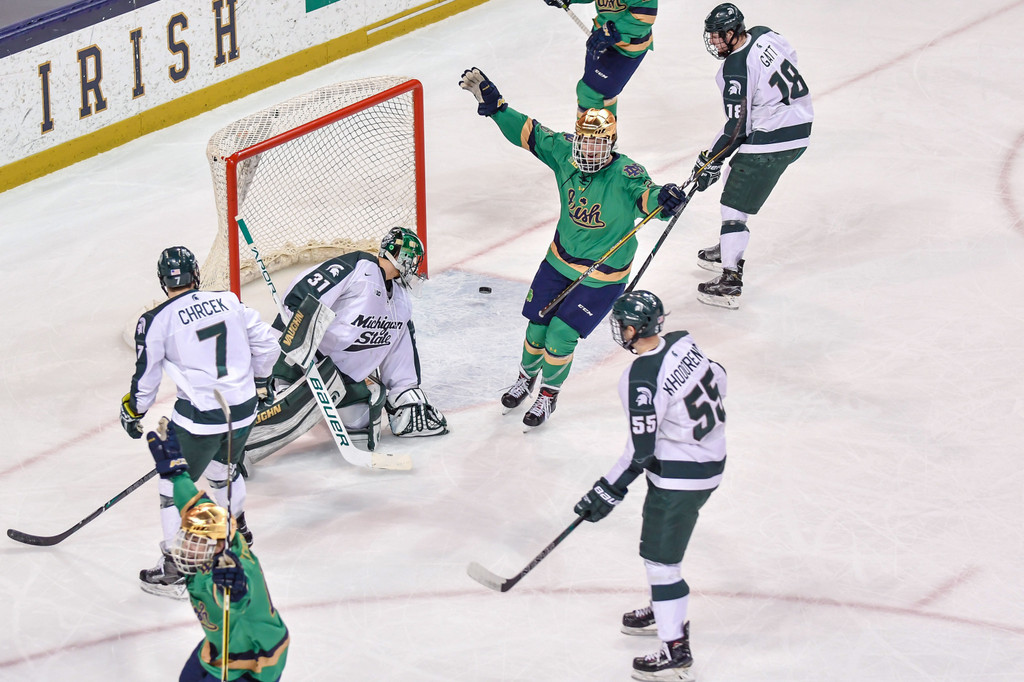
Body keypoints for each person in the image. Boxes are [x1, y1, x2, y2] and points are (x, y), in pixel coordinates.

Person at [459, 67, 687, 430]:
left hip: (602, 277)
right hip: (557, 262)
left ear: (610, 143)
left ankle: (548, 394)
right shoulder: (566, 151)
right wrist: (497, 107)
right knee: (536, 329)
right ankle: (525, 378)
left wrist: (667, 197)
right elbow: (530, 133)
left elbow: (649, 199)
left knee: (561, 335)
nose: (587, 148)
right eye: (584, 140)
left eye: (596, 143)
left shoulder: (626, 173)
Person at [573, 290, 727, 681]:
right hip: (706, 459)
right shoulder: (683, 342)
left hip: (681, 478)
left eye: (620, 323)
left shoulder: (640, 377)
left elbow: (641, 452)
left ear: (632, 328)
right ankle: (663, 607)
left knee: (661, 561)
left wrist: (605, 491)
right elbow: (720, 376)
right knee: (659, 556)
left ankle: (675, 648)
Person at [120, 245, 280, 599]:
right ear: (196, 274)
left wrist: (134, 411)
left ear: (164, 283)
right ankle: (237, 532)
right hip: (243, 410)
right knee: (225, 470)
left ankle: (177, 567)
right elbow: (269, 346)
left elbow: (146, 379)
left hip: (200, 418)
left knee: (172, 483)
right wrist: (261, 380)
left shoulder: (157, 320)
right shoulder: (229, 301)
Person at [242, 227, 448, 463]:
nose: (414, 266)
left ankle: (326, 398)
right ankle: (242, 439)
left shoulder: (401, 303)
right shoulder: (361, 267)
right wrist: (299, 342)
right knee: (291, 410)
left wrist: (405, 392)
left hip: (344, 378)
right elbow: (303, 293)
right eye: (412, 259)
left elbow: (399, 352)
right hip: (300, 360)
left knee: (363, 434)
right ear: (400, 255)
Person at [690, 2, 813, 309]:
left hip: (774, 137)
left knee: (732, 202)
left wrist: (710, 159)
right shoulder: (765, 34)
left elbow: (736, 129)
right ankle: (728, 243)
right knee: (735, 174)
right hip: (801, 121)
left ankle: (730, 279)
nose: (715, 41)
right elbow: (792, 59)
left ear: (733, 33)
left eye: (719, 35)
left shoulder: (733, 68)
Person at [146, 423, 289, 682]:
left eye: (195, 540)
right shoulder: (212, 537)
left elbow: (242, 598)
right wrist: (177, 475)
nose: (187, 544)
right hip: (220, 646)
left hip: (256, 660)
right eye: (188, 535)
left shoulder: (231, 571)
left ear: (217, 546)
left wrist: (236, 591)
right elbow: (192, 502)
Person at [541, 0, 658, 118]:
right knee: (603, 95)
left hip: (627, 47)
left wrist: (611, 31)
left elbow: (645, 15)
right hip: (600, 37)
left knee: (589, 93)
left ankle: (589, 136)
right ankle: (605, 135)